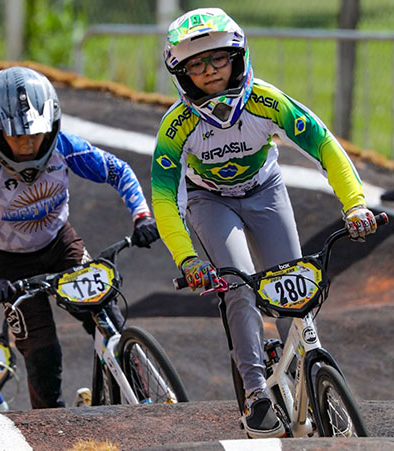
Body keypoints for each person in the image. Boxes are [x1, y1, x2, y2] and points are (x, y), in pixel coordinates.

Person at [152, 8, 376, 438]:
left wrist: (355, 206)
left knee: (295, 284)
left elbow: (324, 146)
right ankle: (256, 392)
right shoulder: (176, 127)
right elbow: (164, 197)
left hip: (265, 190)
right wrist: (187, 258)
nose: (210, 71)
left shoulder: (267, 101)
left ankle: (312, 373)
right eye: (196, 64)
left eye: (218, 58)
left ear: (237, 57)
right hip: (208, 201)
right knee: (239, 285)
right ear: (181, 74)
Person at [0, 66, 159, 409]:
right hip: (10, 266)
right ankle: (50, 431)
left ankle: (144, 400)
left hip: (62, 245)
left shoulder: (65, 146)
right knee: (44, 356)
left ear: (52, 126)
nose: (28, 145)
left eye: (36, 135)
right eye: (16, 136)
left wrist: (142, 216)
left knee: (108, 319)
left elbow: (118, 171)